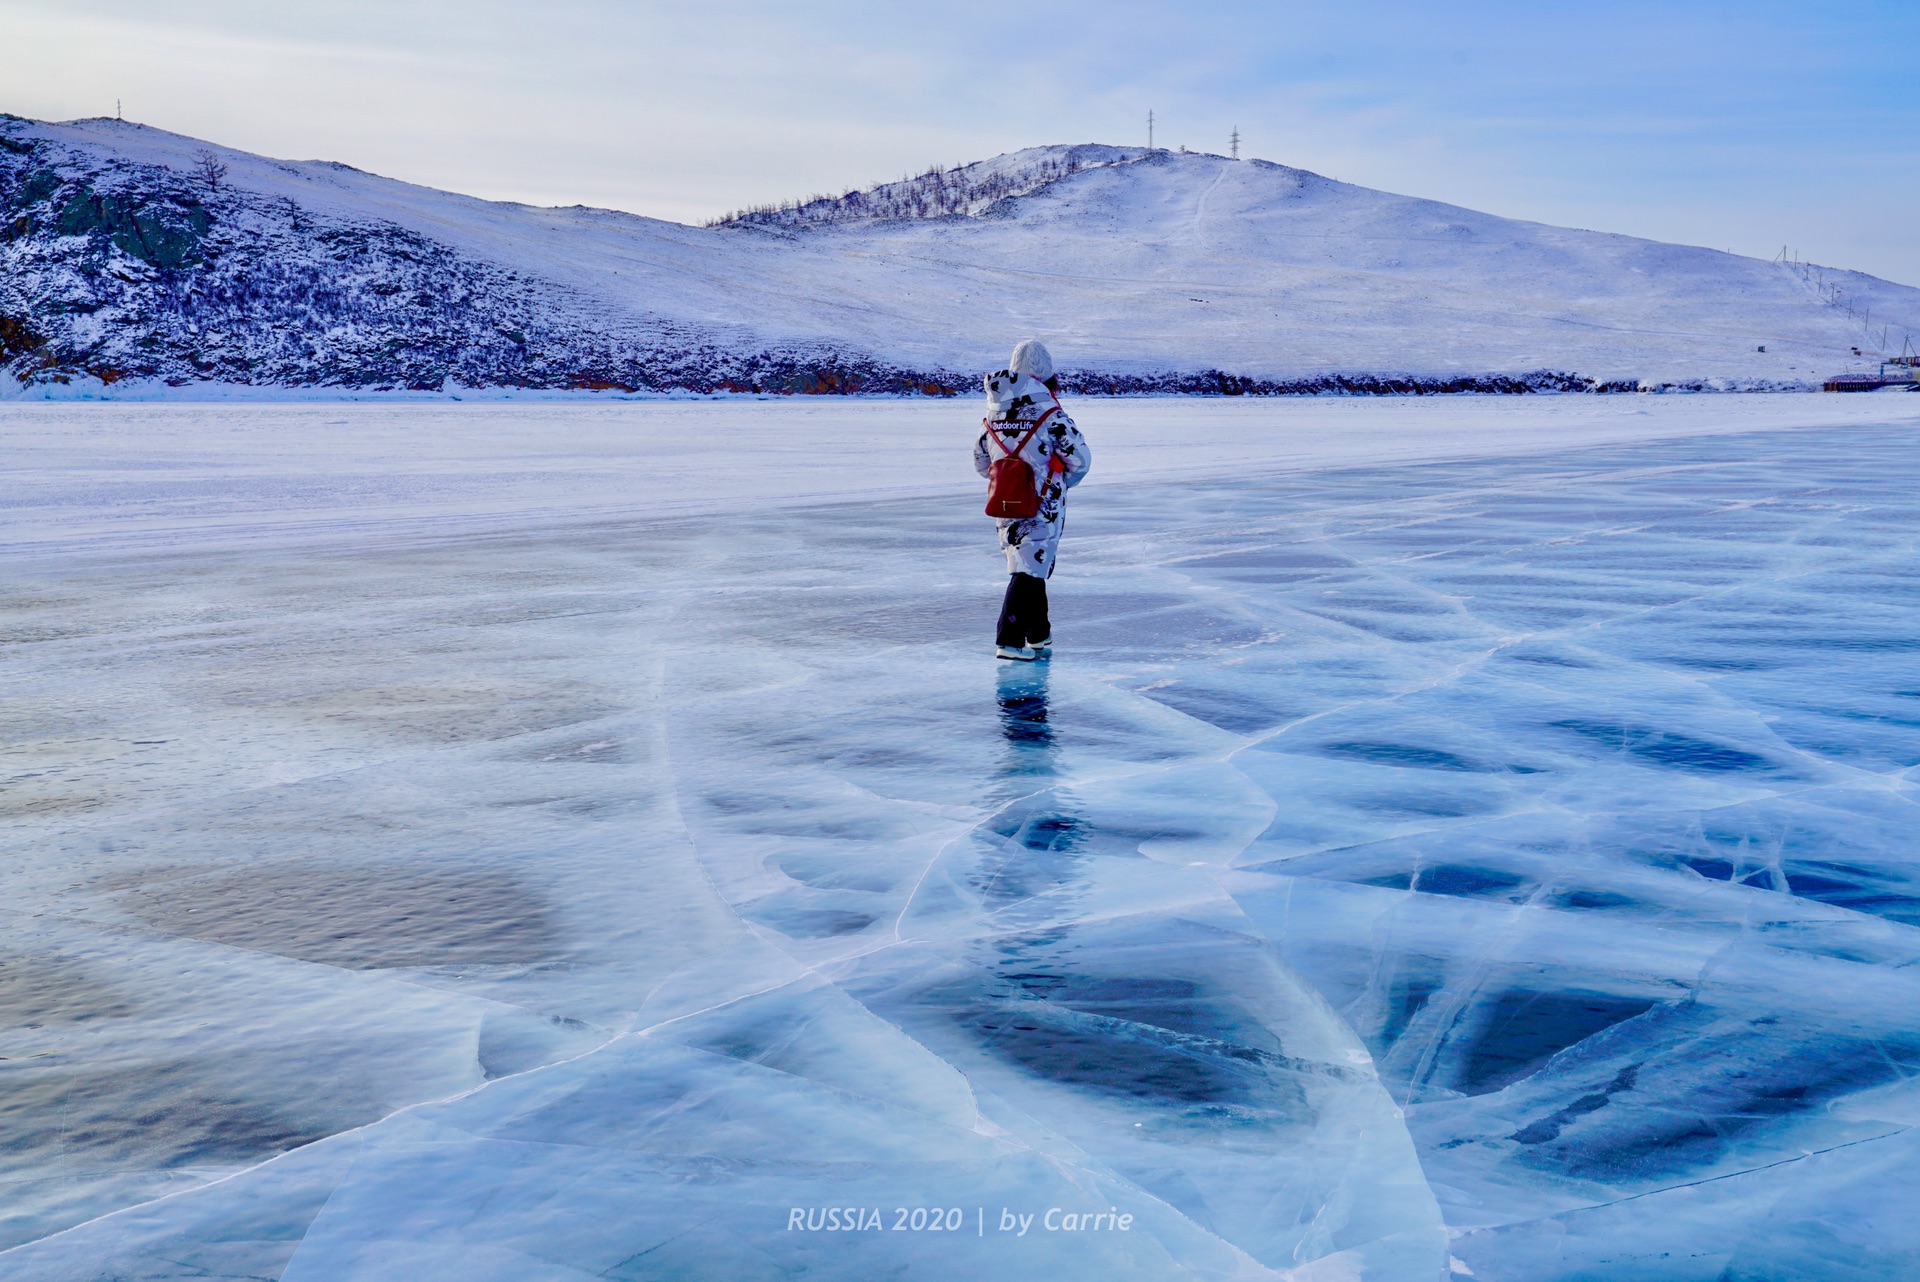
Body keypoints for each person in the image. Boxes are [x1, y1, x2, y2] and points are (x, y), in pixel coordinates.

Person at [973, 340, 1091, 661]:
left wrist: (1009, 480)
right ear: (1047, 374)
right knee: (1026, 572)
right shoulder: (1050, 413)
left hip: (1006, 503)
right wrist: (1059, 482)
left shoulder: (994, 411)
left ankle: (1039, 633)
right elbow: (1080, 459)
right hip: (1042, 504)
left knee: (1029, 566)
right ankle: (1008, 639)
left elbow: (981, 460)